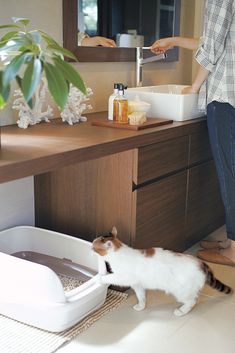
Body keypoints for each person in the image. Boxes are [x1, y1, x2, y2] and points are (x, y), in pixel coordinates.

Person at [150, 0, 235, 266]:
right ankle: (231, 240)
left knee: (230, 173)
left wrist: (194, 86)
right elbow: (216, 39)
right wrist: (174, 40)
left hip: (224, 96)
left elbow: (212, 46)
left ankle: (234, 250)